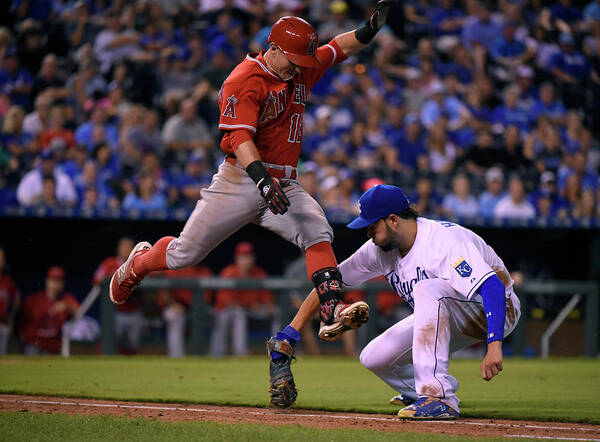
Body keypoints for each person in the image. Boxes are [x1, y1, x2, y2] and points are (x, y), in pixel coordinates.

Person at [108, 3, 395, 408]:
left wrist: (368, 29)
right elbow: (241, 137)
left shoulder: (298, 66)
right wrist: (261, 179)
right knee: (183, 254)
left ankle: (331, 305)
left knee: (317, 228)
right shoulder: (245, 78)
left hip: (284, 180)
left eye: (301, 61)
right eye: (293, 59)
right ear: (272, 48)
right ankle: (138, 263)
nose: (299, 68)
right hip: (241, 178)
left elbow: (336, 48)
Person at [340, 184, 521, 419]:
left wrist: (494, 345)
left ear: (393, 220)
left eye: (372, 225)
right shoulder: (379, 249)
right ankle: (418, 392)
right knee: (374, 357)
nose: (368, 232)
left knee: (427, 288)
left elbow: (492, 286)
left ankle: (439, 397)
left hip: (497, 308)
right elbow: (332, 280)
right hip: (446, 308)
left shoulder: (443, 242)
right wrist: (297, 328)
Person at [209, 242, 276, 357]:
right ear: (237, 258)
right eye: (243, 257)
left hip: (252, 310)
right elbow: (226, 301)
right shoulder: (228, 272)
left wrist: (269, 306)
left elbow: (267, 299)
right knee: (238, 313)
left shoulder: (259, 273)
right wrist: (249, 305)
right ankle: (233, 353)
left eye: (249, 257)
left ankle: (278, 350)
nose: (246, 260)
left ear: (253, 258)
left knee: (277, 312)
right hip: (227, 312)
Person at [93, 237, 143, 354]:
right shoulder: (109, 263)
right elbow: (97, 280)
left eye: (128, 247)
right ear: (118, 249)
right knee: (111, 342)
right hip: (115, 311)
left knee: (132, 344)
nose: (126, 249)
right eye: (123, 247)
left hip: (135, 310)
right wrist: (114, 278)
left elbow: (157, 276)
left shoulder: (140, 262)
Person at [20, 266, 79, 355]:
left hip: (52, 346)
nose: (56, 284)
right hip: (34, 343)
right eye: (53, 280)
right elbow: (22, 321)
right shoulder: (34, 300)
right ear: (47, 281)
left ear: (63, 283)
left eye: (59, 280)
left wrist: (67, 307)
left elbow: (79, 312)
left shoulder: (66, 299)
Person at [0, 246, 20, 355]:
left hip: (2, 323)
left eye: (1, 258)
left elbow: (16, 298)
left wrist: (11, 317)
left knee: (1, 356)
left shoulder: (7, 281)